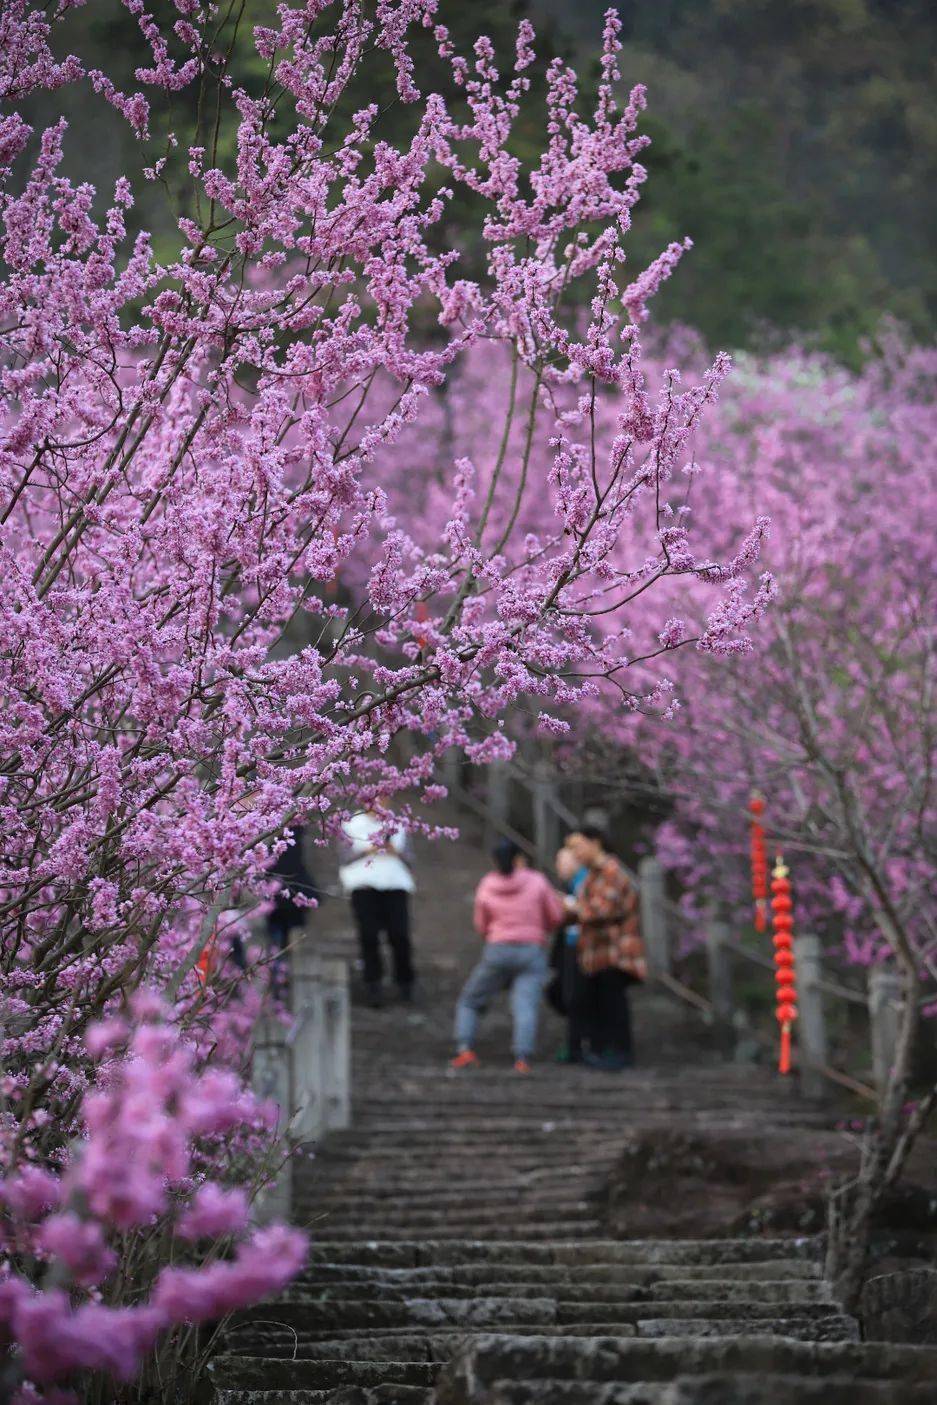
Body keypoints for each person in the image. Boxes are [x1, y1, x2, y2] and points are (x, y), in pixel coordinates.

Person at [451, 839, 566, 1075]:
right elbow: (555, 916)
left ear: (495, 861)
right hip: (531, 951)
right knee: (525, 1005)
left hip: (498, 950)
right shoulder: (537, 881)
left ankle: (465, 1049)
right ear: (519, 859)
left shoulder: (486, 884)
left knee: (471, 1000)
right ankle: (522, 1058)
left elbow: (481, 925)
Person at [566, 825, 645, 1071]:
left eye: (578, 847)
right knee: (599, 1003)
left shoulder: (612, 872)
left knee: (614, 1005)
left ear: (595, 843)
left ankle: (620, 1052)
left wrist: (572, 908)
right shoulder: (591, 875)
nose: (575, 853)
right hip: (595, 953)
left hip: (614, 950)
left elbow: (602, 909)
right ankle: (604, 1052)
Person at [339, 806, 415, 1007]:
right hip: (363, 884)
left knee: (399, 935)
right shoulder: (352, 823)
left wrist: (394, 851)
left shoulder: (399, 823)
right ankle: (373, 983)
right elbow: (344, 858)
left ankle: (405, 981)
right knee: (368, 935)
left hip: (394, 883)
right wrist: (368, 850)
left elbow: (409, 858)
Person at [550, 844, 589, 1063]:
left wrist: (565, 904)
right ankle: (577, 1042)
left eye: (562, 860)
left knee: (573, 996)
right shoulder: (574, 882)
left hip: (579, 946)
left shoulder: (584, 880)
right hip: (571, 945)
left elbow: (586, 909)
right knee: (566, 994)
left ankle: (578, 1043)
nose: (558, 866)